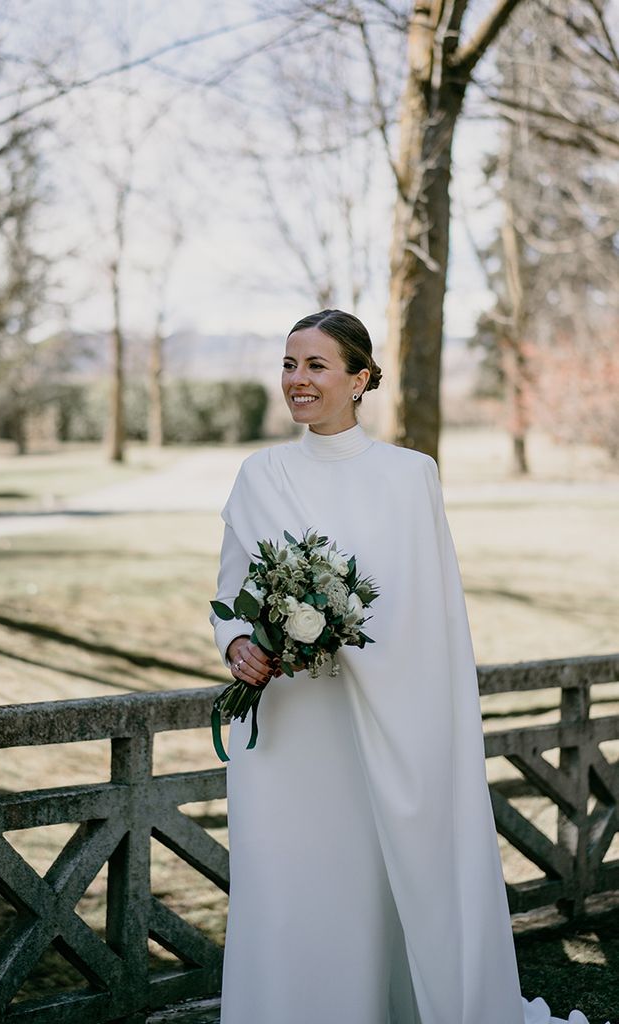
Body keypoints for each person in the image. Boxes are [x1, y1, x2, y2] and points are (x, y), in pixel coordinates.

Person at [210, 309, 597, 1024]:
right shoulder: (258, 474)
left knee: (377, 877)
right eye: (290, 364)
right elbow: (232, 597)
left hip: (385, 722)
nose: (298, 380)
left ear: (359, 379)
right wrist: (239, 644)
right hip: (292, 729)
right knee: (294, 881)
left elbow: (431, 613)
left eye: (316, 366)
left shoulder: (410, 475)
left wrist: (343, 637)